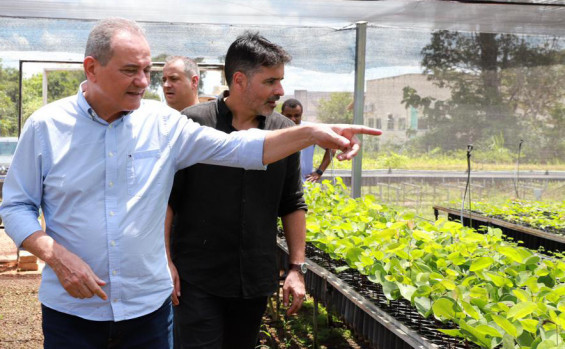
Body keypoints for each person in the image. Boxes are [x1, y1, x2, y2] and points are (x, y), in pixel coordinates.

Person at [0, 18, 381, 349]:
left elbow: (241, 149)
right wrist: (56, 256)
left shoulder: (162, 124)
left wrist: (312, 132)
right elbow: (16, 205)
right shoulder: (46, 126)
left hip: (146, 310)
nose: (143, 82)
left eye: (147, 70)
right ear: (92, 68)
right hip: (72, 311)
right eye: (130, 70)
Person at [166, 31, 332, 349]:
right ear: (239, 80)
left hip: (254, 280)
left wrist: (296, 268)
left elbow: (292, 201)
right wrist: (166, 261)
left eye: (280, 81)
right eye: (270, 82)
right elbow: (167, 201)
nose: (280, 91)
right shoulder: (194, 123)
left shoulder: (284, 131)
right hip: (197, 279)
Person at [281, 98, 334, 182]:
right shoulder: (275, 131)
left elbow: (332, 148)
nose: (292, 119)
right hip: (280, 184)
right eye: (288, 116)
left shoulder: (309, 130)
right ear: (282, 114)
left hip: (304, 184)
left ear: (301, 114)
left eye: (296, 115)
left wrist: (319, 172)